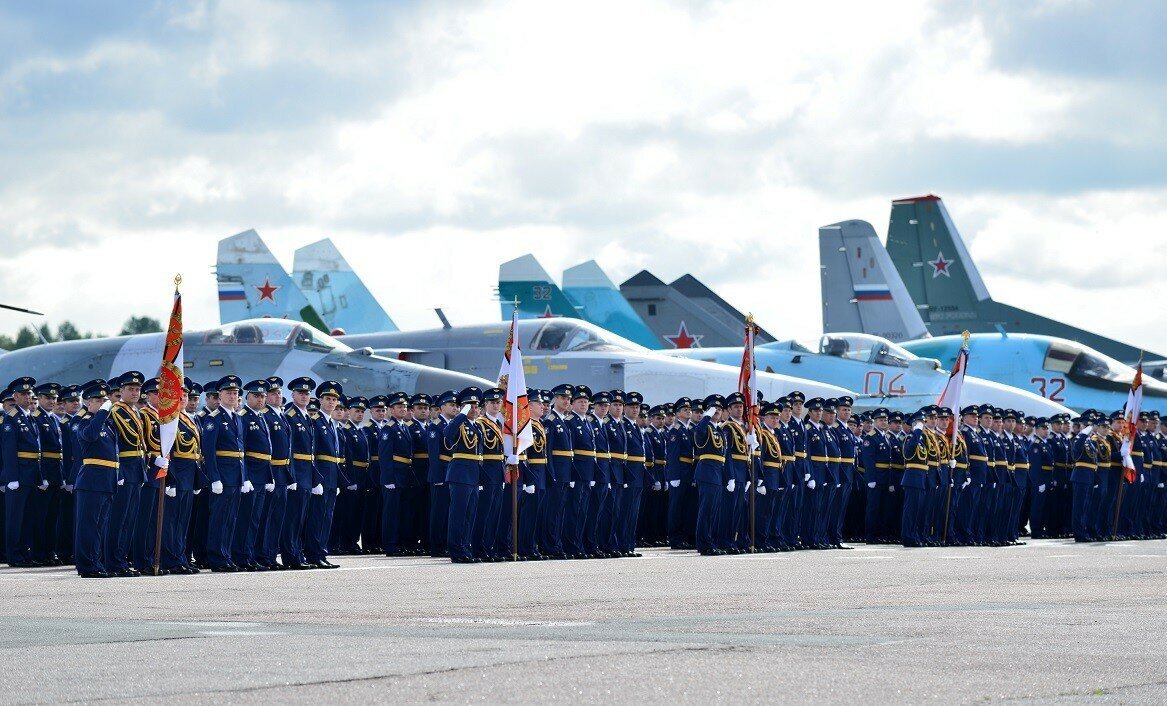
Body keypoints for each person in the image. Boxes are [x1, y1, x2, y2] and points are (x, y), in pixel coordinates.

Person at [72, 381, 118, 578]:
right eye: (98, 400)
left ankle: (96, 561)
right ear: (88, 403)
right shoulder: (83, 422)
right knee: (88, 525)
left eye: (104, 400)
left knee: (100, 526)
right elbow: (90, 436)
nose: (103, 403)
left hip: (107, 480)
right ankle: (86, 565)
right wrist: (100, 413)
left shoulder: (107, 425)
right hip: (91, 481)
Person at [202, 375, 246, 572]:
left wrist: (244, 477)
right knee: (219, 518)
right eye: (228, 393)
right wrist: (215, 478)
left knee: (232, 518)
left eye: (235, 393)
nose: (232, 396)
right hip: (223, 475)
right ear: (219, 396)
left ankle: (226, 555)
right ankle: (216, 558)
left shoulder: (237, 418)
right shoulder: (214, 419)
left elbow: (240, 450)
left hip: (236, 476)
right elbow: (209, 452)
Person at [107, 371, 146, 577]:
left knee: (129, 519)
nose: (135, 392)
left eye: (138, 389)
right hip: (124, 468)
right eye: (130, 389)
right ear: (120, 391)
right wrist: (119, 470)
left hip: (136, 469)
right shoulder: (116, 411)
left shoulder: (135, 412)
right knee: (118, 519)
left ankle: (121, 559)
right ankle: (112, 561)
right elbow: (112, 444)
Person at [161, 380, 202, 575]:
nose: (184, 399)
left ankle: (182, 556)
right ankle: (171, 558)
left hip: (190, 473)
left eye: (185, 395)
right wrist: (170, 479)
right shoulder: (170, 419)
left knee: (184, 520)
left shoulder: (189, 418)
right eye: (179, 395)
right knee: (172, 520)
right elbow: (169, 451)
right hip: (177, 473)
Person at [304, 380, 343, 569]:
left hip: (332, 475)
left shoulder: (332, 423)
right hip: (321, 474)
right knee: (317, 516)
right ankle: (313, 553)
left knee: (327, 516)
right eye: (327, 398)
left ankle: (321, 552)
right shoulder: (315, 421)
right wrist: (315, 479)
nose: (330, 402)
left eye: (334, 399)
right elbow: (313, 453)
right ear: (320, 400)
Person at [281, 377, 316, 569]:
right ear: (292, 395)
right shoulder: (290, 416)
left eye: (307, 393)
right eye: (300, 393)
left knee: (302, 516)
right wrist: (291, 476)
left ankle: (298, 553)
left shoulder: (305, 416)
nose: (304, 396)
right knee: (293, 517)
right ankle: (291, 555)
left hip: (306, 472)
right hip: (297, 472)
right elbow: (290, 449)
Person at [445, 387, 483, 563]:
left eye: (476, 406)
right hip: (460, 474)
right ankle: (456, 550)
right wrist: (461, 415)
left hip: (473, 475)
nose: (474, 409)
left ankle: (465, 547)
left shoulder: (476, 426)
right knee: (458, 515)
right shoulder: (458, 423)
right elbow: (448, 434)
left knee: (470, 515)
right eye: (470, 406)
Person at [693, 394, 727, 556]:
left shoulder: (718, 429)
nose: (717, 412)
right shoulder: (705, 427)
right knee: (706, 510)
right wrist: (706, 416)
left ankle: (711, 542)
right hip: (707, 471)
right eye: (714, 409)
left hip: (718, 471)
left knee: (714, 511)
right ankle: (703, 544)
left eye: (719, 409)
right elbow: (698, 432)